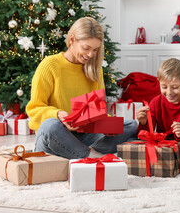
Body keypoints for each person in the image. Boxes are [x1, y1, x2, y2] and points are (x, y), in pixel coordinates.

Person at [26, 17, 138, 159]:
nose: (90, 55)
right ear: (72, 40)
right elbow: (34, 110)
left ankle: (81, 152)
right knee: (50, 125)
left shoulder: (95, 70)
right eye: (86, 48)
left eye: (95, 50)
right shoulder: (50, 65)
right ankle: (92, 155)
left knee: (131, 125)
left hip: (84, 137)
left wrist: (107, 127)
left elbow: (98, 113)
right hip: (55, 137)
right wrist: (59, 115)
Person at [136, 58, 180, 171]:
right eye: (164, 87)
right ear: (159, 83)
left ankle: (175, 161)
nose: (169, 92)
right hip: (163, 144)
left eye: (175, 87)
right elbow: (149, 134)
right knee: (137, 141)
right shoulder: (155, 102)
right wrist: (143, 122)